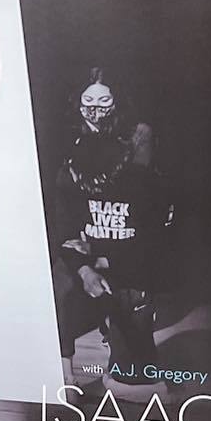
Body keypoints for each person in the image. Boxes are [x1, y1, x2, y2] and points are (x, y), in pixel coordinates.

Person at [52, 73, 173, 395]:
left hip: (126, 252)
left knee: (135, 377)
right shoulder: (66, 149)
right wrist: (85, 268)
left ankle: (116, 332)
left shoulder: (138, 139)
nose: (96, 110)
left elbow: (149, 225)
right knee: (60, 285)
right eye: (88, 101)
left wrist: (109, 261)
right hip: (85, 250)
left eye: (104, 101)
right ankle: (64, 372)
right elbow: (63, 225)